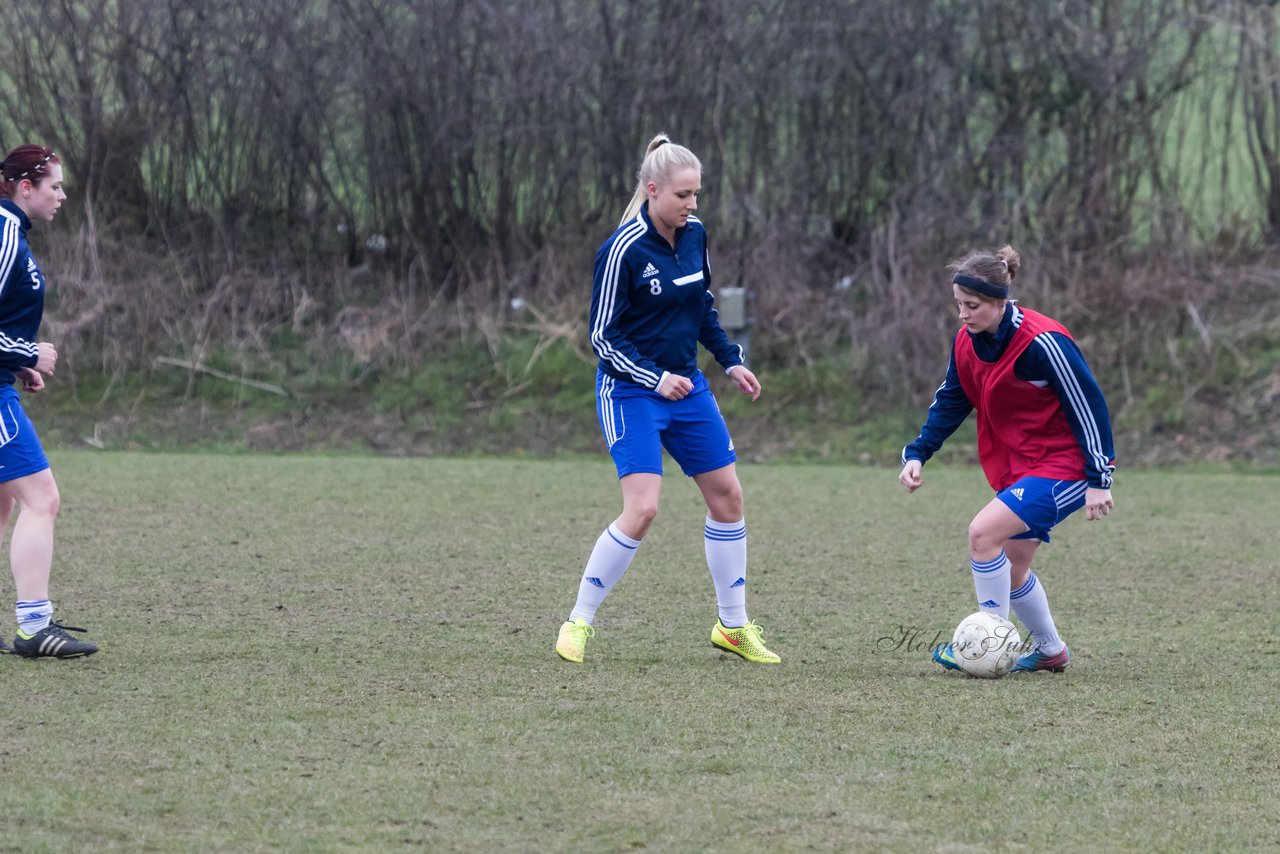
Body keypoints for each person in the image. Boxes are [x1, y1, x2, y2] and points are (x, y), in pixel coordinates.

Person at [554, 133, 779, 665]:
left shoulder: (695, 234)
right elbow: (603, 337)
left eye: (697, 194)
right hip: (631, 390)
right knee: (644, 509)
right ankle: (578, 623)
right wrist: (654, 379)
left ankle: (733, 626)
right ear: (652, 190)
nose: (693, 204)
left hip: (686, 387)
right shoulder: (622, 250)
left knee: (728, 498)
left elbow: (701, 307)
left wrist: (730, 359)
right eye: (683, 195)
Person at [898, 245, 1114, 674]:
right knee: (1012, 568)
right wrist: (919, 452)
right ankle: (1051, 651)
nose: (963, 314)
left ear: (1001, 302)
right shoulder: (967, 340)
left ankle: (986, 645)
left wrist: (1099, 478)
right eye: (958, 304)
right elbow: (952, 400)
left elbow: (1088, 406)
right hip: (1019, 466)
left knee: (982, 535)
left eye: (972, 306)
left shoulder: (1044, 342)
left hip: (1066, 466)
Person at [0, 144, 97, 658]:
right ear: (24, 188)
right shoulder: (4, 234)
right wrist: (29, 352)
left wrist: (16, 363)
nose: (62, 195)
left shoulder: (12, 233)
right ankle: (35, 628)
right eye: (54, 185)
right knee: (42, 499)